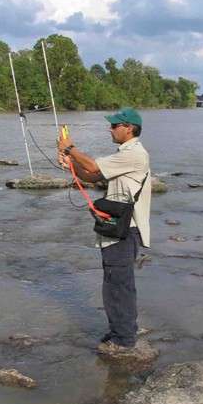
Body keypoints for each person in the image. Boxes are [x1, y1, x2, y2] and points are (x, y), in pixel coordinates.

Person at [57, 107, 152, 355]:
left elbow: (90, 163)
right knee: (116, 283)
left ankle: (123, 340)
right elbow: (91, 174)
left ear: (128, 128)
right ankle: (122, 330)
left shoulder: (134, 154)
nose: (110, 129)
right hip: (119, 229)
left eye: (114, 125)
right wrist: (70, 166)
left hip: (125, 230)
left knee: (118, 285)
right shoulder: (124, 155)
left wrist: (69, 148)